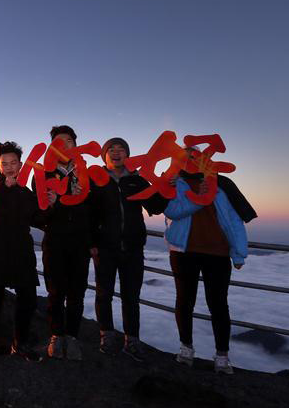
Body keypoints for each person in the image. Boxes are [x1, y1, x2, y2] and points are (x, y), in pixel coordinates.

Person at [164, 149, 255, 374]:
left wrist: (239, 253)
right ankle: (186, 348)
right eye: (185, 158)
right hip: (184, 251)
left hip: (218, 252)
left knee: (218, 305)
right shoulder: (174, 183)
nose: (190, 161)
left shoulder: (221, 184)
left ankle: (222, 356)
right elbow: (172, 212)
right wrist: (199, 199)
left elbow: (233, 220)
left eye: (195, 157)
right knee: (185, 302)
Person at [89, 138, 168, 361]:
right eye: (111, 150)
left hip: (133, 247)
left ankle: (131, 340)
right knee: (104, 294)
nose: (116, 153)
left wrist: (162, 185)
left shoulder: (137, 180)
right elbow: (90, 214)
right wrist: (92, 242)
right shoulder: (97, 180)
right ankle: (107, 335)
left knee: (131, 297)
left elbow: (156, 206)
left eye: (121, 149)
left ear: (127, 154)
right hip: (105, 247)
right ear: (104, 156)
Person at [0, 141, 46, 364]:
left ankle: (21, 343)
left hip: (21, 251)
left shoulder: (25, 191)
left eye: (13, 162)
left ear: (21, 164)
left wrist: (50, 204)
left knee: (27, 299)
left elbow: (39, 220)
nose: (9, 167)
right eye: (4, 163)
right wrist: (2, 188)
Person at [35, 125, 94, 360]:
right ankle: (56, 336)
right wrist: (51, 204)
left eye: (69, 141)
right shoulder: (42, 174)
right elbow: (38, 217)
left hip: (80, 242)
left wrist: (84, 196)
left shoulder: (86, 172)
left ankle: (73, 337)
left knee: (77, 292)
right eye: (59, 142)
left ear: (75, 145)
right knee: (56, 291)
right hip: (55, 240)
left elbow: (96, 212)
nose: (64, 146)